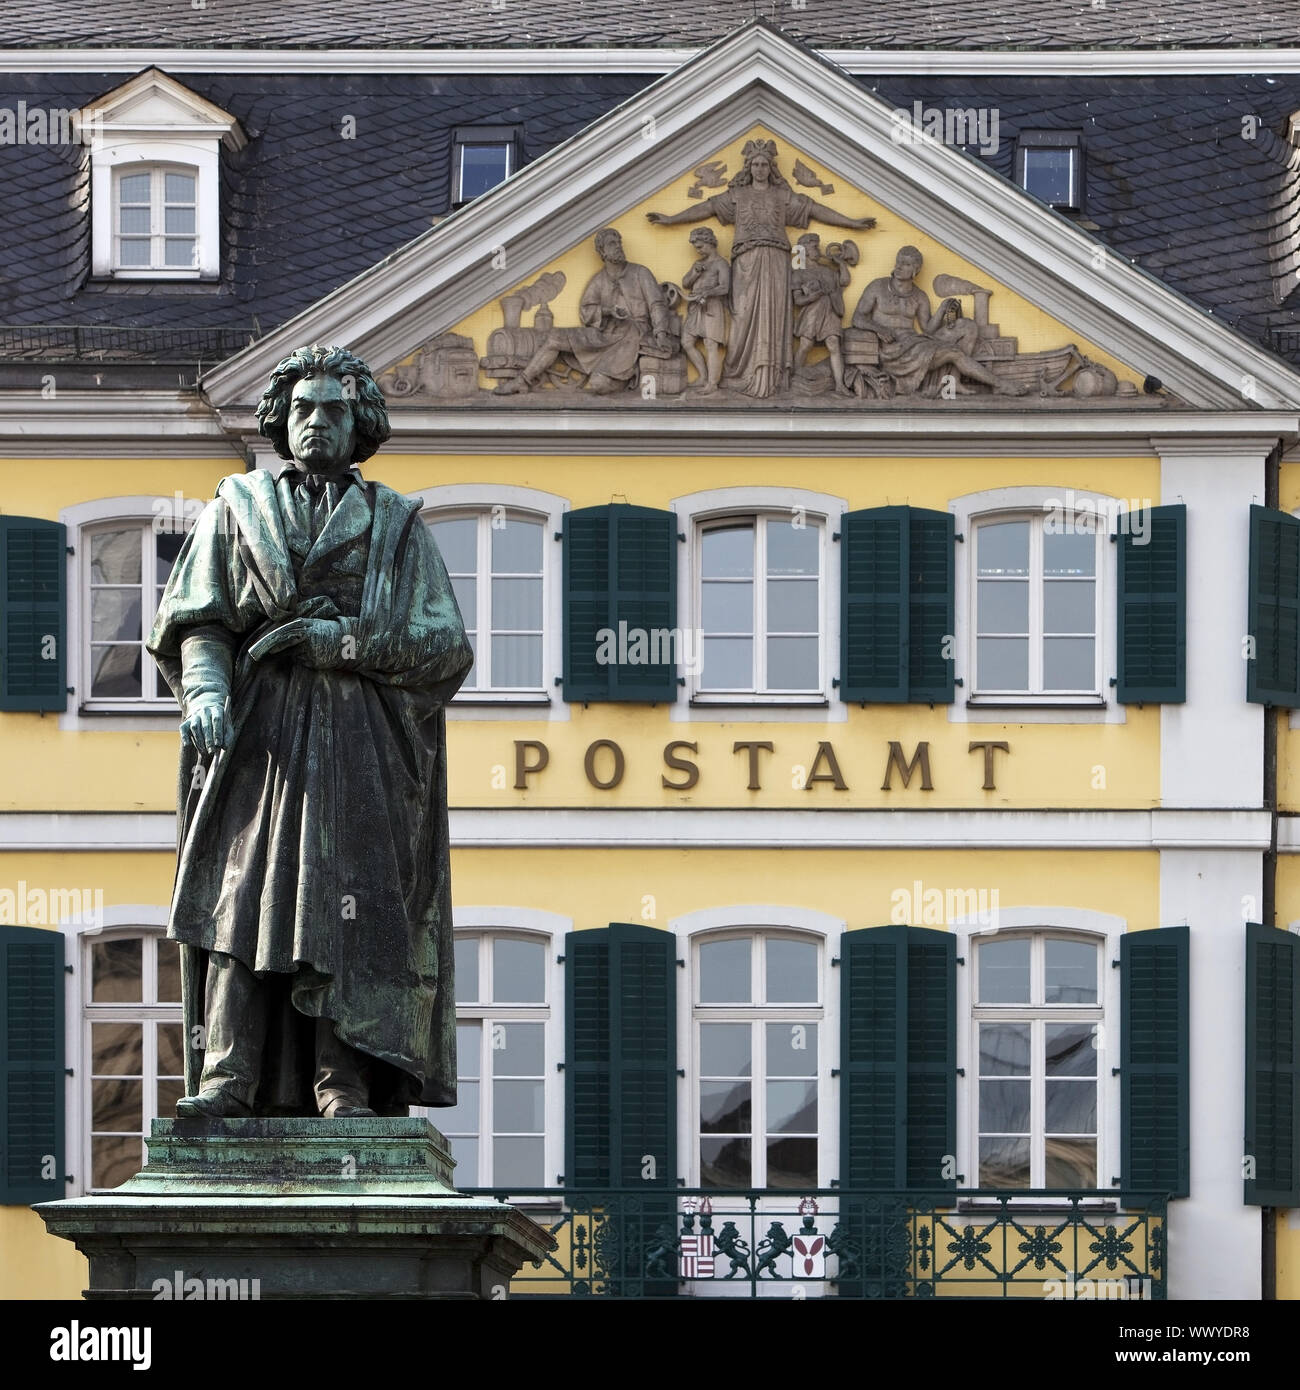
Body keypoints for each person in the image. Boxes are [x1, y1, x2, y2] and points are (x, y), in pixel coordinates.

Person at [147, 344, 474, 1119]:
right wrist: (204, 691)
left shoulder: (395, 526)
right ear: (280, 421)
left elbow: (445, 646)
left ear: (358, 421)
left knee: (349, 909)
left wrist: (342, 643)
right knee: (236, 899)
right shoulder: (236, 508)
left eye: (333, 409)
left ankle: (344, 1085)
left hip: (362, 746)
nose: (317, 422)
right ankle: (227, 1077)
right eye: (303, 409)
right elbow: (200, 619)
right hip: (258, 739)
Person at [646, 139, 875, 398]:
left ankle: (773, 377)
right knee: (742, 314)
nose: (759, 168)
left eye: (764, 164)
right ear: (748, 167)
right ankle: (742, 375)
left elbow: (815, 209)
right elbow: (706, 207)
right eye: (754, 164)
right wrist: (672, 219)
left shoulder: (782, 196)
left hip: (776, 261)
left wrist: (852, 223)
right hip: (745, 263)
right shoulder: (737, 195)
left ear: (771, 167)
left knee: (774, 313)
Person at [494, 227, 675, 394]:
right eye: (612, 243)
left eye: (619, 242)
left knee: (598, 384)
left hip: (632, 336)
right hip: (603, 334)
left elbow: (657, 304)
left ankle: (628, 376)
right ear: (602, 251)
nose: (618, 246)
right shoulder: (599, 280)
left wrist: (660, 332)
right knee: (555, 337)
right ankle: (523, 380)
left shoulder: (640, 273)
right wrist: (607, 311)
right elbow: (586, 311)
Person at [850, 245, 1028, 397]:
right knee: (954, 353)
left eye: (906, 264)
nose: (899, 266)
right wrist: (878, 329)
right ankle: (999, 384)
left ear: (916, 270)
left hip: (913, 343)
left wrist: (943, 309)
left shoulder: (919, 296)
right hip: (889, 350)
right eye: (898, 261)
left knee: (968, 326)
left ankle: (953, 379)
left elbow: (927, 329)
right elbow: (857, 317)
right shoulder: (878, 287)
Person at [679, 226, 730, 394]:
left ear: (710, 242)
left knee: (710, 344)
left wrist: (707, 293)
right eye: (696, 247)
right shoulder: (698, 264)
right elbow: (685, 283)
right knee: (686, 342)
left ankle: (712, 384)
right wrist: (695, 272)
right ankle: (702, 376)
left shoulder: (721, 263)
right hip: (696, 306)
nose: (698, 250)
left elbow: (725, 287)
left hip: (712, 307)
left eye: (700, 247)